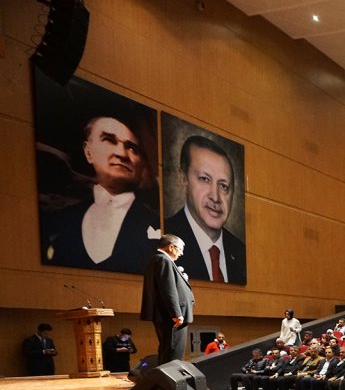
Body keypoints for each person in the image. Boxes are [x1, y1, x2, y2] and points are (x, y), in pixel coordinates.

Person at [41, 115, 159, 273]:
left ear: (142, 165)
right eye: (109, 140)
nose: (122, 153)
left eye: (132, 148)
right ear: (88, 151)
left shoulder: (159, 225)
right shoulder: (60, 220)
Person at [168, 135, 246, 283]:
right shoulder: (163, 242)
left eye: (223, 186)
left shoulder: (240, 252)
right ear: (183, 179)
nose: (215, 197)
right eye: (204, 179)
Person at [139, 234, 195, 365]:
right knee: (173, 353)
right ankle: (170, 384)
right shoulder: (163, 260)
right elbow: (167, 289)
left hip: (168, 315)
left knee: (168, 350)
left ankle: (166, 383)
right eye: (180, 249)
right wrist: (176, 313)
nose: (181, 253)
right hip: (172, 317)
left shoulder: (158, 260)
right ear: (171, 247)